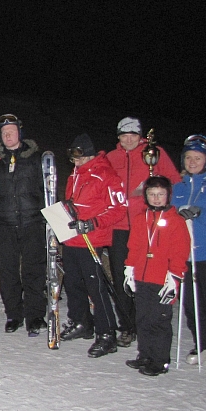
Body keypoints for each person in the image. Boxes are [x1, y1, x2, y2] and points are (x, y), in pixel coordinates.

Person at [106, 117, 180, 348]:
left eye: (133, 135)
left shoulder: (154, 153)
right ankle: (127, 326)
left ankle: (147, 323)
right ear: (118, 137)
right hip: (118, 226)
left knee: (146, 277)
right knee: (121, 277)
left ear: (140, 137)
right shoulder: (111, 157)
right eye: (124, 135)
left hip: (148, 226)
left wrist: (168, 208)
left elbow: (174, 182)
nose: (128, 140)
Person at [59, 133, 127, 357]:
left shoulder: (106, 174)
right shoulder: (75, 174)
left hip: (91, 238)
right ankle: (81, 322)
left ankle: (107, 333)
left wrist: (93, 223)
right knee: (73, 283)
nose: (76, 161)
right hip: (72, 237)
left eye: (79, 157)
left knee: (95, 287)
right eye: (73, 158)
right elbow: (74, 203)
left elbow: (119, 208)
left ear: (89, 154)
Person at [0, 114, 47, 336]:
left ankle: (35, 315)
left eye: (11, 131)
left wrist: (51, 221)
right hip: (5, 224)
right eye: (4, 133)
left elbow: (48, 191)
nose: (8, 135)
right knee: (8, 272)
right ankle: (14, 314)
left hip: (32, 222)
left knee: (34, 271)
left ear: (19, 132)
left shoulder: (36, 159)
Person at [124, 176, 189, 376]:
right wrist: (129, 269)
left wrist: (174, 277)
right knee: (143, 318)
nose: (156, 198)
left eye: (161, 194)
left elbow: (180, 251)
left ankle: (160, 360)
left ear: (168, 195)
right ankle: (145, 354)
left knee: (158, 320)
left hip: (162, 279)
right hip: (142, 277)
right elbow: (134, 246)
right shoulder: (140, 219)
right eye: (152, 194)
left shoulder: (176, 221)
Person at [171, 134, 206, 365]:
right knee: (190, 303)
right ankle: (204, 343)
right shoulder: (177, 188)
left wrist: (201, 213)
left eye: (198, 158)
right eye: (189, 157)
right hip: (184, 254)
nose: (192, 162)